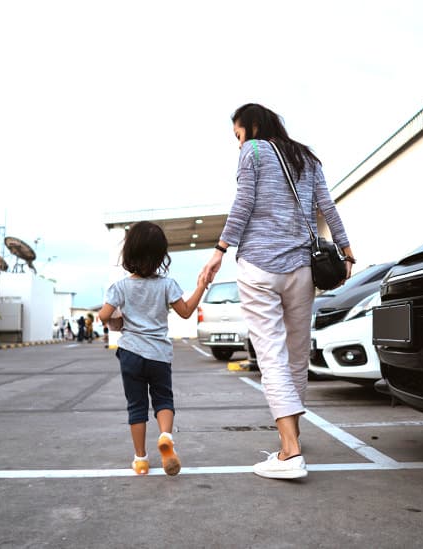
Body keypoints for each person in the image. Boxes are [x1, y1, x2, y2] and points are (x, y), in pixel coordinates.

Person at [200, 103, 355, 480]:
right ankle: (292, 438)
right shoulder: (306, 157)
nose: (238, 145)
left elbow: (245, 203)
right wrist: (346, 248)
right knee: (297, 356)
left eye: (238, 135)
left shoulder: (254, 151)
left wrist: (220, 251)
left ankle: (290, 451)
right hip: (302, 268)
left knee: (270, 355)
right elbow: (326, 206)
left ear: (252, 126)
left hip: (258, 266)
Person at [99, 221, 208, 476]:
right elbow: (186, 311)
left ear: (129, 253)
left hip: (131, 354)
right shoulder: (167, 285)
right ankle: (166, 436)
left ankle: (141, 459)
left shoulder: (121, 287)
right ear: (161, 256)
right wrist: (202, 285)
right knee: (163, 400)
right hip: (159, 355)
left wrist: (116, 320)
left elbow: (104, 315)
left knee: (136, 406)